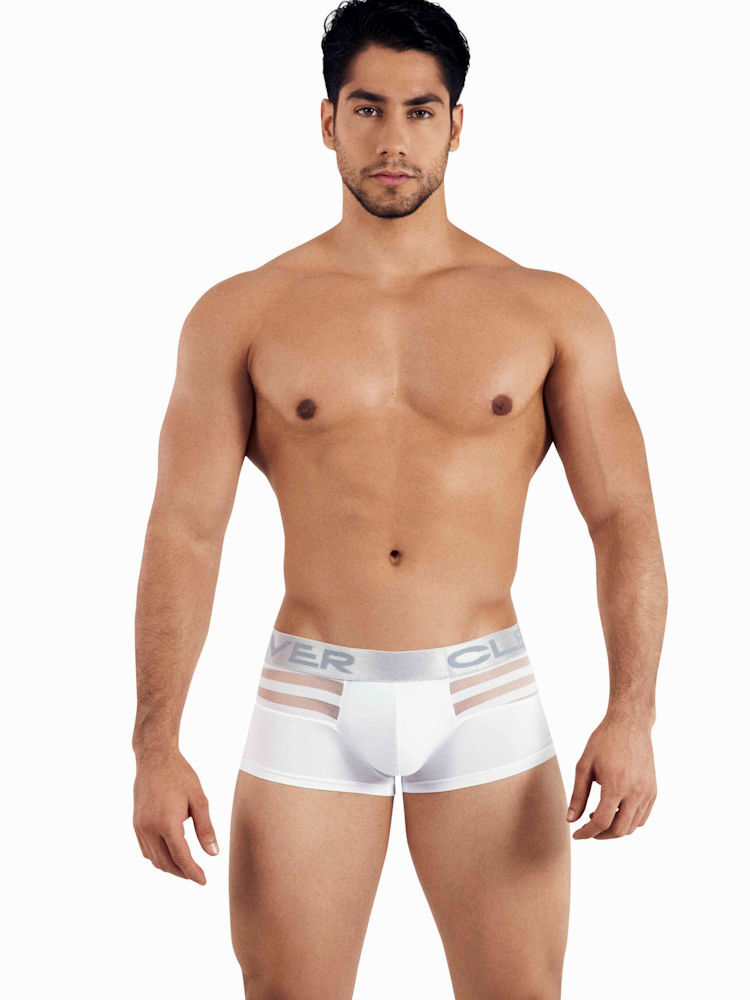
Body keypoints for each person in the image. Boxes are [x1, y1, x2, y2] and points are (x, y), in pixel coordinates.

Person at [131, 1, 667, 996]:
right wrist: (154, 744)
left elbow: (622, 518)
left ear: (456, 125)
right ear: (327, 120)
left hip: (484, 696)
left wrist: (632, 712)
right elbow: (186, 531)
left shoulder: (548, 309)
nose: (393, 139)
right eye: (367, 108)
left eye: (420, 111)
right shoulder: (242, 312)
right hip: (310, 699)